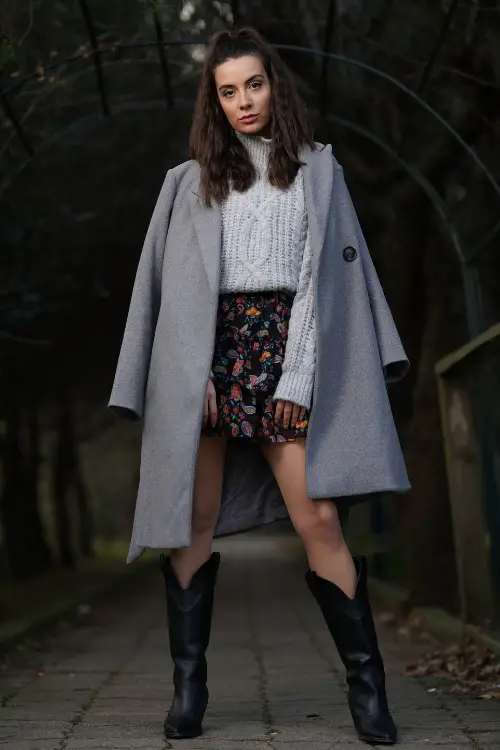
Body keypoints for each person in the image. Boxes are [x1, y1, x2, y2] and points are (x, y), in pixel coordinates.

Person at [109, 27, 410, 747]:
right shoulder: (186, 183)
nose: (244, 101)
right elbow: (175, 292)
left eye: (254, 84)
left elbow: (320, 284)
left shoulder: (317, 170)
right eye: (228, 90)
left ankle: (368, 688)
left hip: (288, 347)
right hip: (212, 358)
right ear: (213, 102)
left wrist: (297, 376)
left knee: (320, 519)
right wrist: (196, 375)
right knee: (194, 517)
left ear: (275, 85)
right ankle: (190, 688)